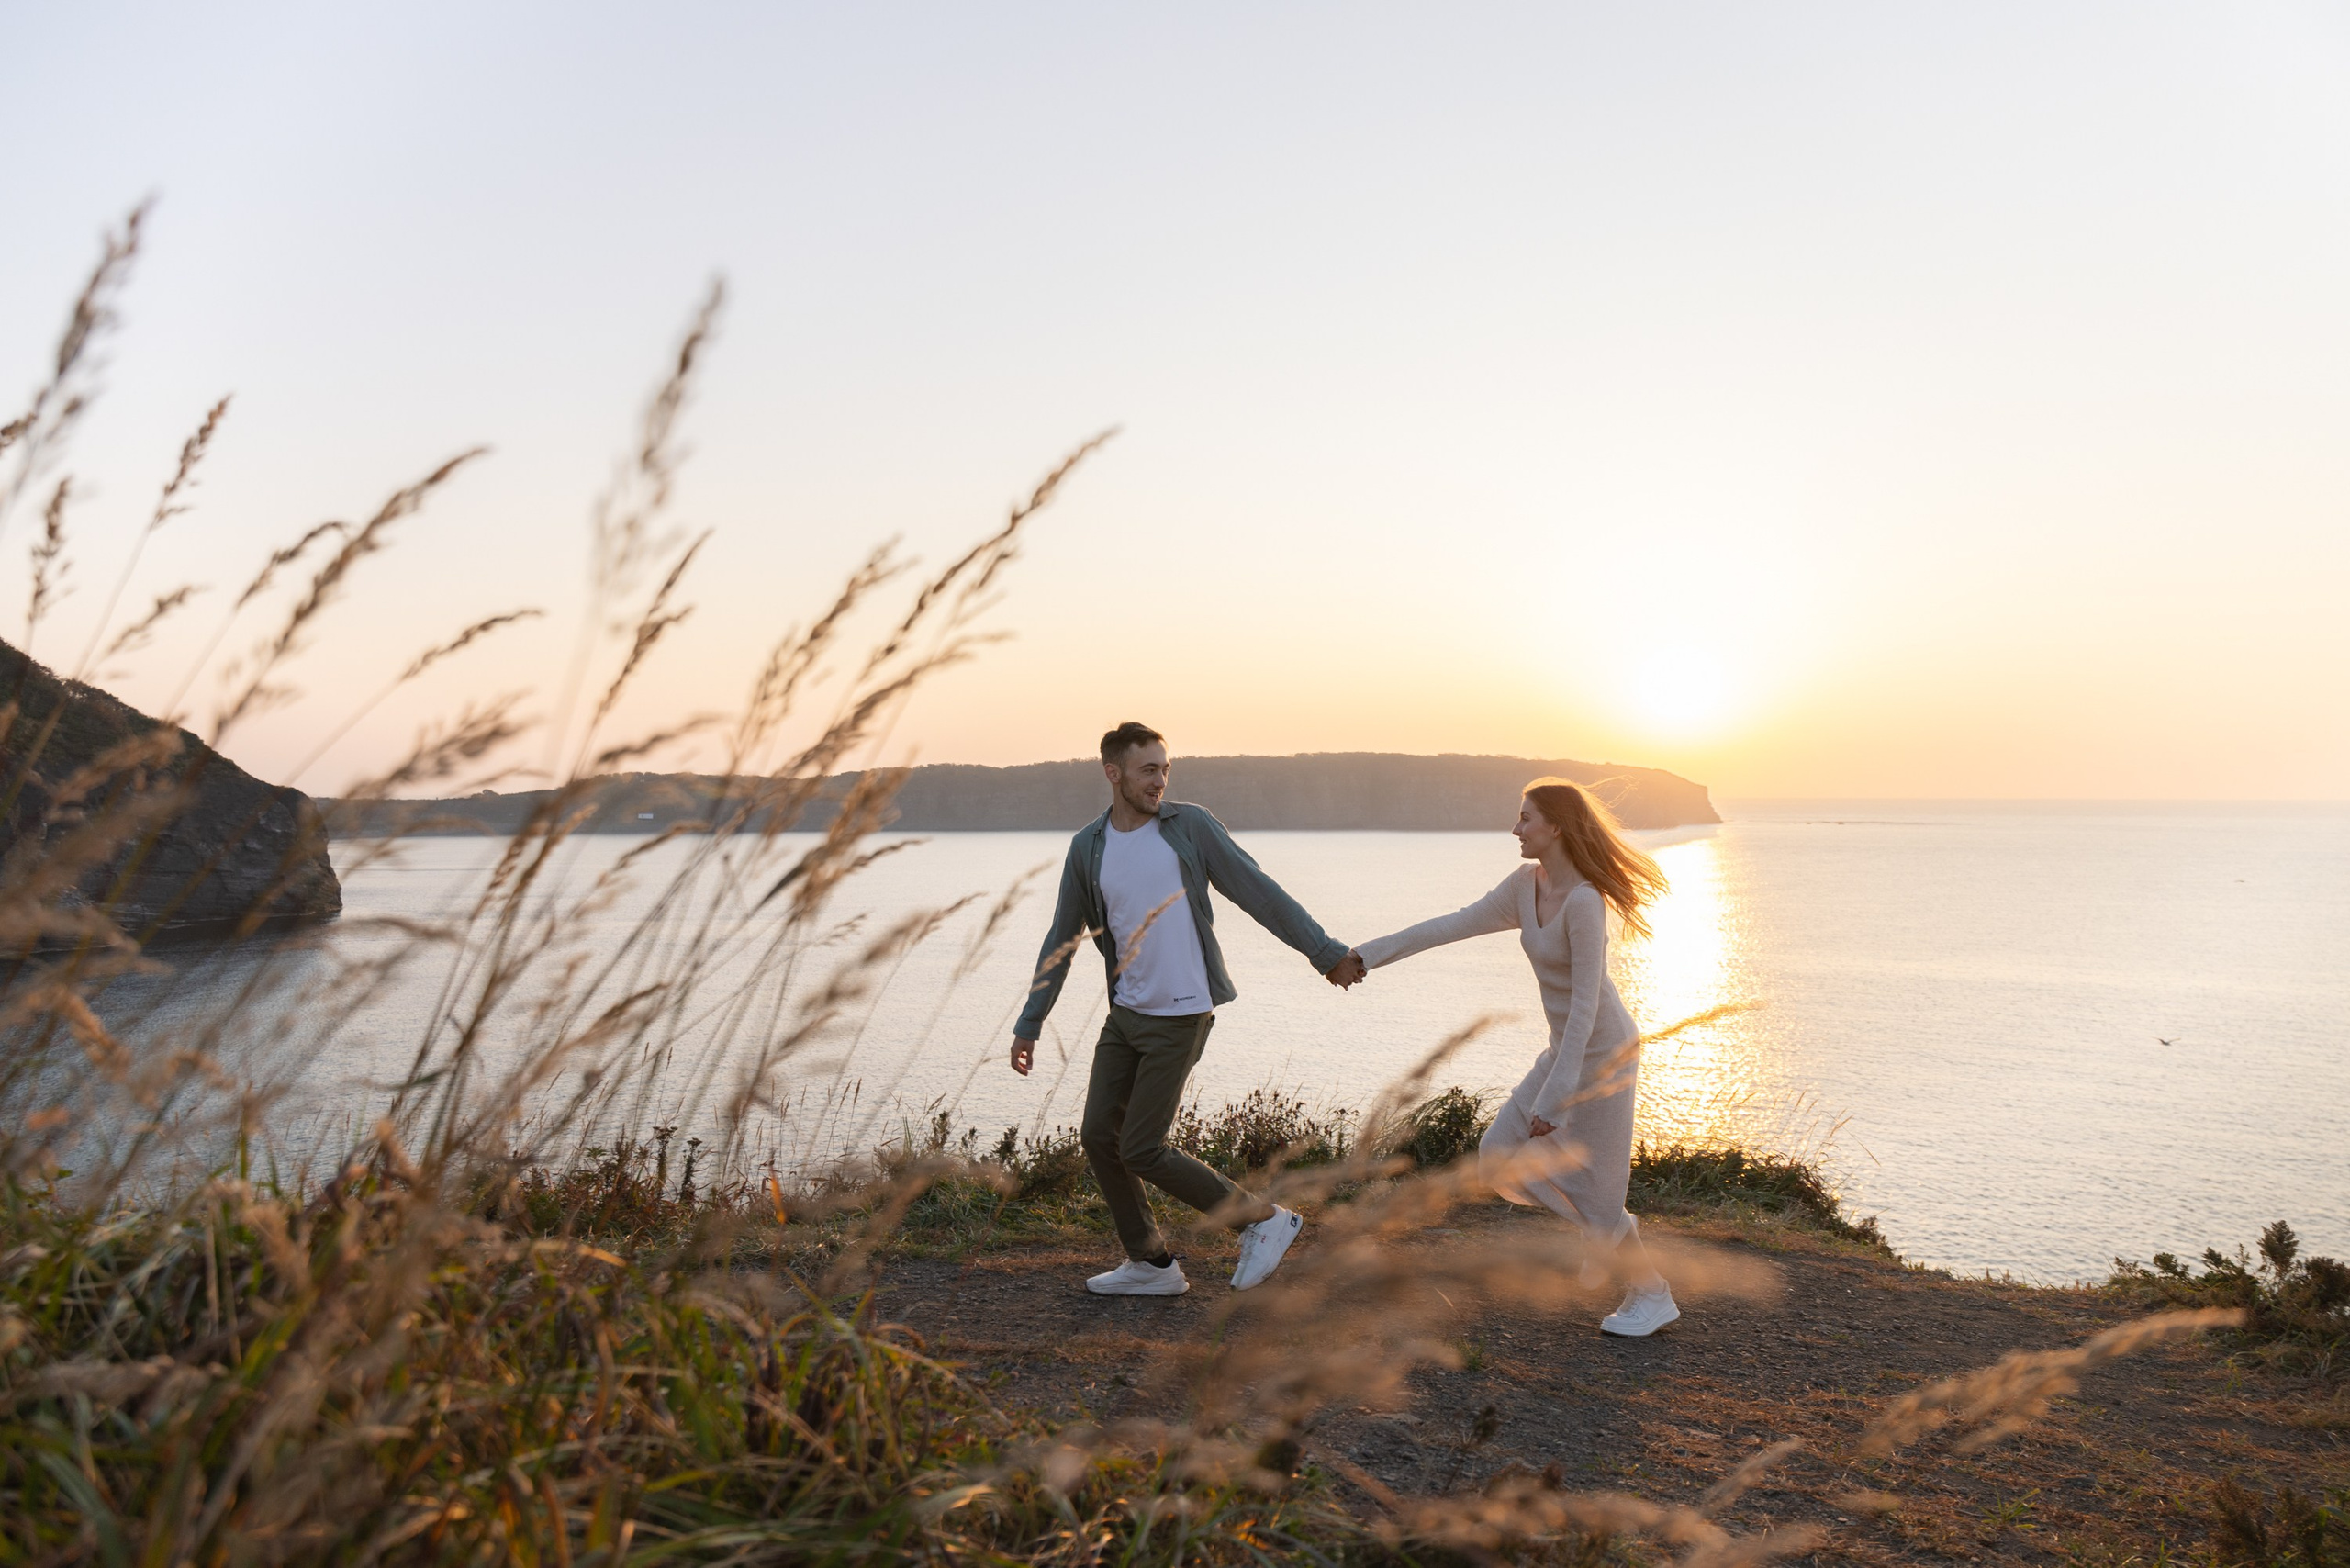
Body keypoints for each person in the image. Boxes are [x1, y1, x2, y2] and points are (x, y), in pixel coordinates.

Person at [1011, 722, 1367, 1297]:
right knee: (1101, 1138)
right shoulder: (1089, 847)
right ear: (1114, 773)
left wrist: (1322, 952)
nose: (1160, 780)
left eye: (1165, 768)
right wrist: (1031, 1022)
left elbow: (1259, 891)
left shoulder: (1190, 828)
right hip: (1125, 1013)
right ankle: (1152, 1265)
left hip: (1182, 1013)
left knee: (1142, 1147)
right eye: (1148, 769)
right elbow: (1062, 938)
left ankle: (1265, 1220)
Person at [1352, 778, 1678, 1337]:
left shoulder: (1584, 902)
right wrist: (1364, 956)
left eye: (1525, 818)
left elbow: (1584, 1006)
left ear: (1555, 826)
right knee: (1499, 1153)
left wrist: (1556, 1095)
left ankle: (1652, 1293)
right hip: (1565, 1050)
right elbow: (1451, 924)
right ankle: (1607, 1229)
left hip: (1602, 1055)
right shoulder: (1527, 886)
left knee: (1598, 1190)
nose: (1515, 827)